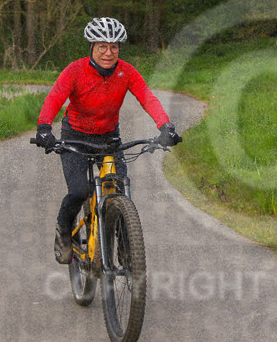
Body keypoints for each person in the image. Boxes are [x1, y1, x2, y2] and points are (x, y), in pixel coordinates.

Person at [35, 17, 181, 264]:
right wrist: (44, 129)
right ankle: (63, 232)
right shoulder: (75, 70)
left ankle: (128, 250)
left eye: (114, 46)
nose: (108, 52)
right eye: (102, 46)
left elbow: (147, 97)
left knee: (119, 189)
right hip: (75, 136)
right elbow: (55, 98)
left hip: (109, 138)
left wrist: (165, 126)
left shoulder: (127, 72)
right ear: (91, 47)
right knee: (79, 191)